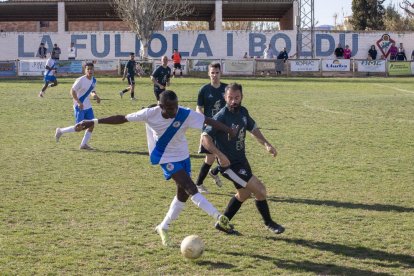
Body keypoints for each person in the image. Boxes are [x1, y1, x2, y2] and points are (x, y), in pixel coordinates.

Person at [76, 90, 236, 246]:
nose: (175, 110)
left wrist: (228, 130)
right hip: (164, 156)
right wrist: (94, 122)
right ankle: (219, 217)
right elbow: (122, 118)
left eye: (176, 106)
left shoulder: (184, 113)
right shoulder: (149, 113)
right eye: (170, 108)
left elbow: (207, 120)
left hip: (183, 156)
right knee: (190, 187)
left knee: (183, 194)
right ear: (161, 106)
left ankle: (163, 227)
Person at [202, 83, 285, 235]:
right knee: (260, 190)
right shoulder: (221, 116)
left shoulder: (243, 112)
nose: (234, 101)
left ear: (242, 97)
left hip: (241, 161)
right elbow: (205, 138)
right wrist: (220, 155)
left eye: (237, 97)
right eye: (230, 98)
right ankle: (269, 222)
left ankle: (223, 223)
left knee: (244, 194)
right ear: (225, 98)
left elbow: (253, 128)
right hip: (229, 166)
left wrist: (266, 144)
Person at [195, 62, 227, 194]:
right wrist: (204, 119)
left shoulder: (227, 88)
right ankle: (198, 184)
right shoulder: (204, 90)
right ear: (208, 73)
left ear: (221, 73)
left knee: (227, 154)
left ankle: (214, 172)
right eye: (212, 73)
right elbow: (198, 107)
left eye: (217, 72)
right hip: (209, 128)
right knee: (210, 157)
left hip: (224, 127)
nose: (214, 75)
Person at [54, 62, 101, 150]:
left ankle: (83, 144)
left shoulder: (94, 80)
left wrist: (95, 96)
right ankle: (60, 131)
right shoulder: (80, 80)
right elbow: (72, 91)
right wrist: (79, 102)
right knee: (79, 128)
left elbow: (92, 91)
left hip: (88, 106)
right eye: (88, 69)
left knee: (92, 124)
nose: (90, 70)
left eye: (91, 69)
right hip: (79, 106)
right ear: (85, 70)